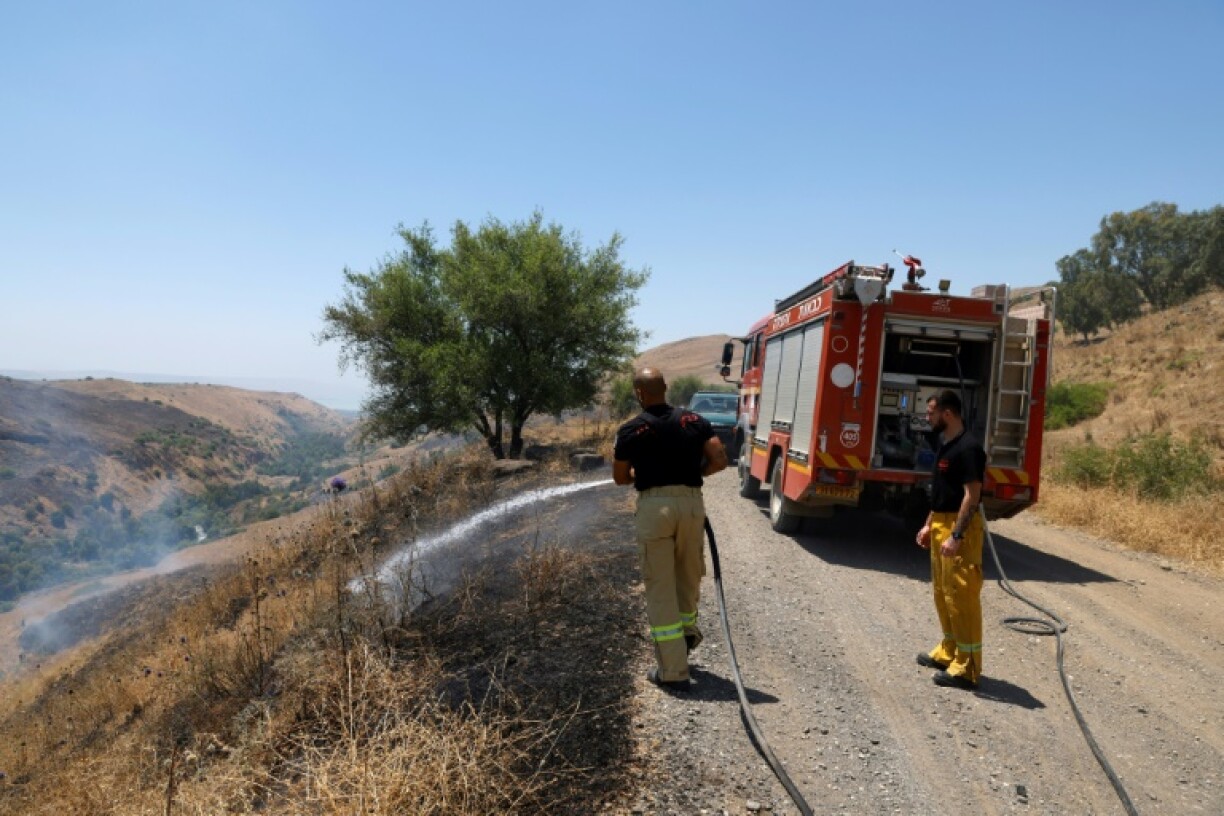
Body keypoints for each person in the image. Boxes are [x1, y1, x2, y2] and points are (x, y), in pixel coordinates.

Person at [613, 367, 729, 691]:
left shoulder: (630, 431)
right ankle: (686, 639)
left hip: (654, 507)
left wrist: (651, 476)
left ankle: (673, 672)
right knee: (688, 576)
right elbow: (720, 459)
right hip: (691, 504)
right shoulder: (694, 421)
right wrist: (692, 475)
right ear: (666, 387)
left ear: (639, 394)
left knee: (660, 586)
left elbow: (621, 477)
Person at [915, 389, 987, 691]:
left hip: (961, 530)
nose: (927, 417)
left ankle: (967, 668)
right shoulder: (946, 445)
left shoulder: (968, 448)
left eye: (931, 412)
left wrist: (957, 536)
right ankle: (949, 652)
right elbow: (944, 493)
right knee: (943, 594)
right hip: (942, 523)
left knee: (962, 597)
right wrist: (929, 524)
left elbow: (972, 496)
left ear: (948, 414)